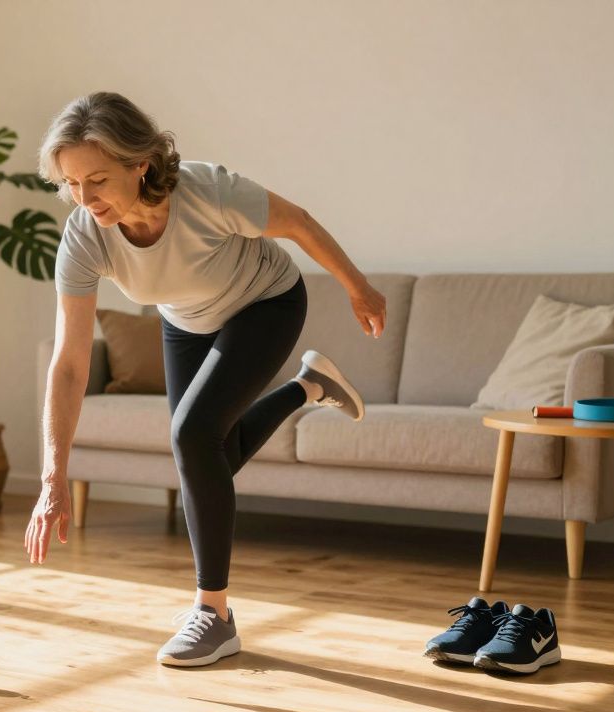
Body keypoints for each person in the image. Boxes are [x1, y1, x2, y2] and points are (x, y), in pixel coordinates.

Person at [26, 92, 387, 668]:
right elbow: (70, 363)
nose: (83, 197)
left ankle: (214, 614)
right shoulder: (84, 236)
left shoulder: (205, 191)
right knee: (206, 451)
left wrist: (357, 287)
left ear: (139, 162)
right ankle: (309, 387)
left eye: (96, 179)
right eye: (71, 183)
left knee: (192, 439)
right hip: (186, 321)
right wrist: (53, 476)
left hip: (265, 304)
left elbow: (297, 222)